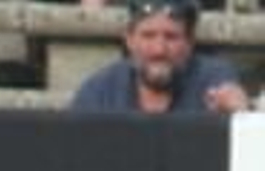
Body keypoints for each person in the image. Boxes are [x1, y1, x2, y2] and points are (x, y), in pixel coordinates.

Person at [69, 0, 249, 115]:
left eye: (171, 37)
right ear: (129, 40)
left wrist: (241, 115)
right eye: (148, 35)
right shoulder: (101, 91)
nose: (159, 50)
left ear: (190, 42)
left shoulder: (213, 80)